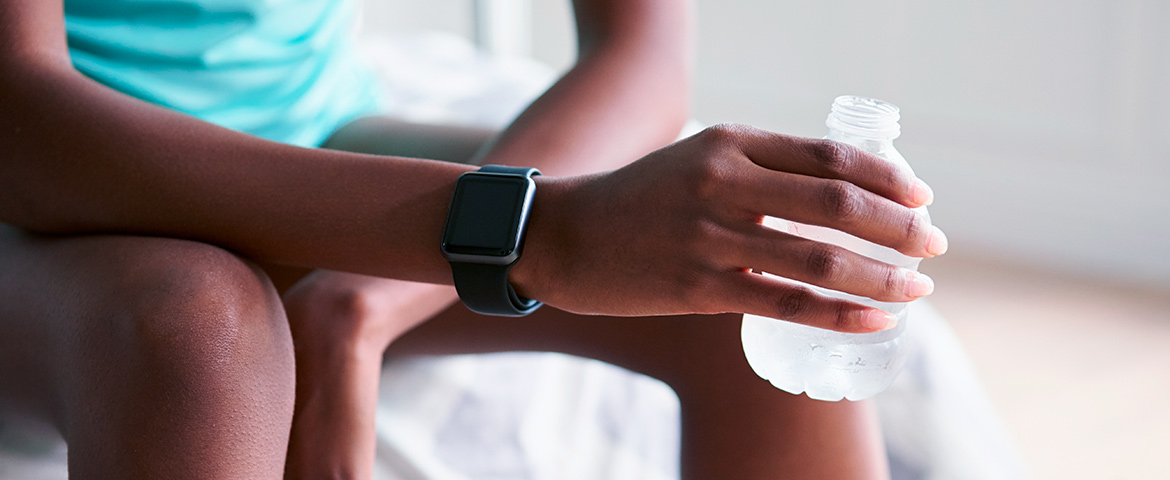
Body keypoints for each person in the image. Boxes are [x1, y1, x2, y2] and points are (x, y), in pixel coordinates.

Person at [0, 0, 946, 478]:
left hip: (302, 131)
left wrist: (365, 300)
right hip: (45, 179)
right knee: (199, 333)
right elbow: (23, 125)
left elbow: (641, 53)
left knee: (740, 267)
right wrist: (539, 231)